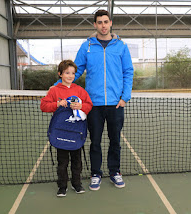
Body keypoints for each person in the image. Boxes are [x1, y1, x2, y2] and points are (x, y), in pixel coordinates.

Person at [54, 9, 134, 191]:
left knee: (115, 141)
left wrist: (124, 97)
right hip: (93, 105)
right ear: (95, 24)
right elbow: (75, 70)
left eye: (106, 22)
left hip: (116, 104)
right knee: (95, 142)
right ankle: (96, 174)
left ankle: (115, 172)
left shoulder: (121, 46)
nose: (103, 25)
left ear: (111, 23)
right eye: (99, 22)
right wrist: (57, 86)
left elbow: (128, 72)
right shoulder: (87, 46)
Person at [41, 60, 93, 197]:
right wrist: (57, 104)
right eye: (67, 73)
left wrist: (81, 107)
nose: (70, 76)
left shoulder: (80, 90)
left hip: (76, 132)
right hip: (61, 131)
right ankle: (62, 186)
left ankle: (77, 184)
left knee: (77, 160)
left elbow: (89, 105)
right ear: (60, 74)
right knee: (62, 161)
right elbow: (44, 106)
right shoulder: (54, 90)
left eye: (73, 73)